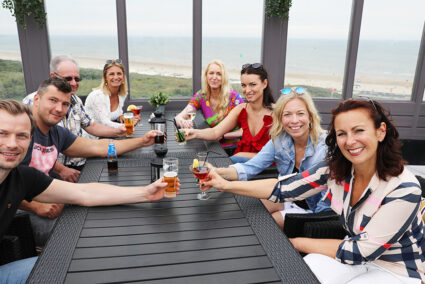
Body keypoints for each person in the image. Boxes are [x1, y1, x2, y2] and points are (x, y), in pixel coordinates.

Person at [204, 99, 425, 283]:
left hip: (398, 269)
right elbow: (282, 188)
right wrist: (225, 185)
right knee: (301, 273)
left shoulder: (404, 188)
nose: (350, 141)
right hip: (356, 253)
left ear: (380, 131)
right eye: (342, 133)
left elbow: (358, 251)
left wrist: (293, 243)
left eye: (359, 130)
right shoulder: (338, 168)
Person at [0, 99, 179, 284]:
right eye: (2, 133)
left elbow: (85, 193)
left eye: (21, 135)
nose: (12, 144)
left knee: (79, 267)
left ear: (30, 139)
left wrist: (146, 193)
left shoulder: (22, 177)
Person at [19, 77, 162, 247]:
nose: (59, 108)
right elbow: (7, 188)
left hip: (48, 196)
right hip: (22, 215)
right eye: (53, 100)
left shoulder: (57, 133)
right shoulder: (18, 136)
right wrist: (35, 206)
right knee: (89, 234)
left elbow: (98, 147)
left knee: (101, 220)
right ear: (36, 99)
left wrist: (141, 142)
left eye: (65, 104)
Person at [212, 88, 331, 229]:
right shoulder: (279, 140)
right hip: (286, 197)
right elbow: (249, 167)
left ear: (310, 117)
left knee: (265, 224)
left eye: (300, 114)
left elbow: (319, 201)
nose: (294, 120)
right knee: (249, 212)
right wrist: (217, 172)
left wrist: (226, 186)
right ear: (280, 118)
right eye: (287, 114)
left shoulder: (326, 147)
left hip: (315, 211)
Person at [23, 55, 127, 179]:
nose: (73, 83)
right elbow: (32, 149)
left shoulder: (75, 100)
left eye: (77, 79)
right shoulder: (32, 103)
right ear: (53, 77)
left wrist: (117, 131)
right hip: (53, 174)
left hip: (80, 164)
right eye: (68, 78)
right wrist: (61, 170)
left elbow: (90, 125)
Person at [183, 63, 275, 163]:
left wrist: (240, 155)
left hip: (264, 170)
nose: (247, 90)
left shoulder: (276, 113)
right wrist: (194, 133)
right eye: (244, 85)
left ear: (264, 83)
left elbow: (278, 156)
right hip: (240, 166)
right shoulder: (241, 109)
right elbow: (215, 132)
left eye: (253, 84)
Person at [174, 60, 244, 155]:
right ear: (206, 76)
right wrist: (184, 122)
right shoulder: (201, 96)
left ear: (224, 78)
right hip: (211, 145)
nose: (214, 77)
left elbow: (246, 130)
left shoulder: (235, 99)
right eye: (211, 73)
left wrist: (224, 135)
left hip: (234, 149)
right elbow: (178, 117)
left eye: (219, 74)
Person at [84, 59, 140, 138]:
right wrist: (128, 125)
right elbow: (105, 123)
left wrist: (121, 116)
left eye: (119, 73)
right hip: (92, 139)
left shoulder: (121, 95)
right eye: (111, 74)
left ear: (123, 77)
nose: (116, 77)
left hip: (109, 137)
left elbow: (113, 114)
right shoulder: (97, 96)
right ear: (105, 77)